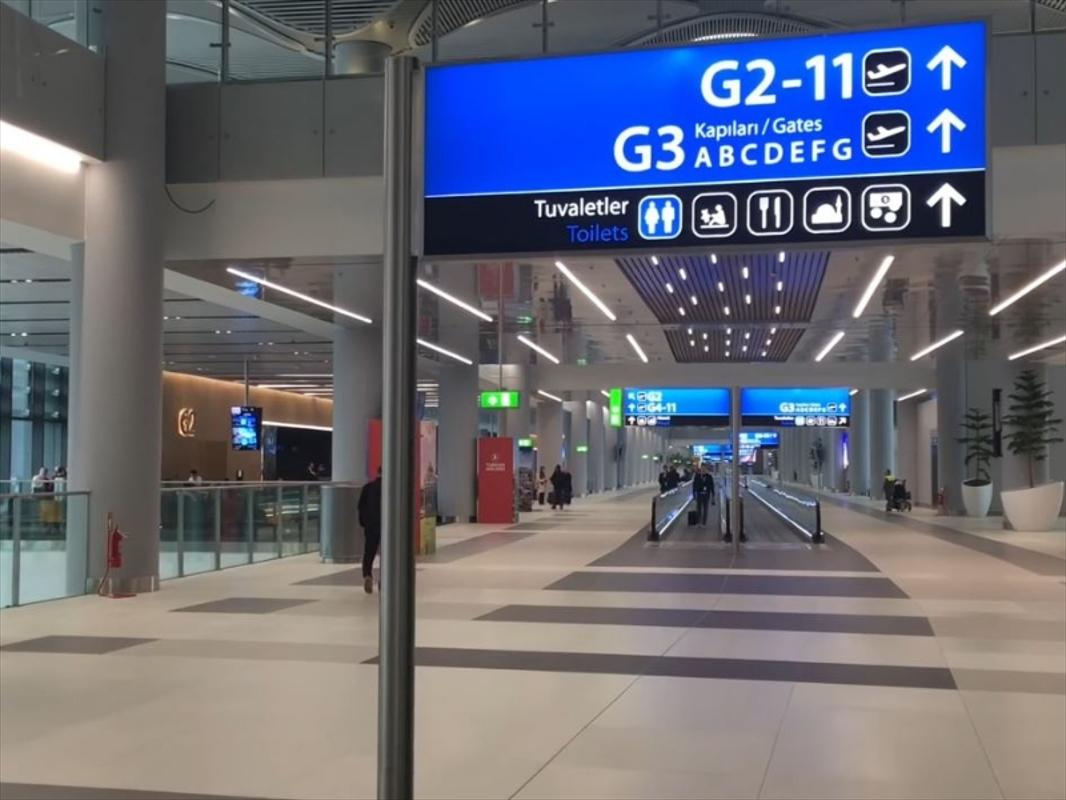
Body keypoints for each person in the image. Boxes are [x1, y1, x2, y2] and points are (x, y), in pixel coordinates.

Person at [357, 468, 382, 594]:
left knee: (369, 552)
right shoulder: (391, 488)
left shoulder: (368, 488)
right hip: (387, 526)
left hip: (371, 525)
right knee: (387, 553)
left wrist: (364, 522)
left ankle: (367, 574)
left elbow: (361, 507)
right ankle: (384, 578)